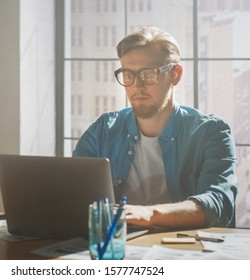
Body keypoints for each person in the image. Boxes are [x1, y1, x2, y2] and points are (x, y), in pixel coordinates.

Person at [73, 27, 238, 228]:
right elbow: (73, 193)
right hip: (119, 248)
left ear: (175, 75)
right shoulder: (103, 130)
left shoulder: (211, 132)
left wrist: (148, 214)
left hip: (185, 251)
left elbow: (217, 204)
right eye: (127, 75)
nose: (136, 86)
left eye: (148, 74)